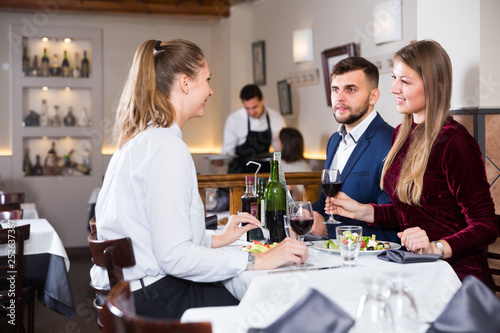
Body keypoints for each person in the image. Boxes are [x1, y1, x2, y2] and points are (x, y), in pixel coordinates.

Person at [90, 39, 308, 319]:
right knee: (269, 309)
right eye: (207, 79)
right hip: (155, 296)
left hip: (130, 293)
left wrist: (217, 239)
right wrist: (257, 259)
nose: (211, 90)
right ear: (185, 83)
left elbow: (157, 236)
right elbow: (174, 257)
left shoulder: (138, 141)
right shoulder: (167, 148)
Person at [328, 40, 499, 290]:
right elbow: (410, 211)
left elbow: (486, 225)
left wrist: (436, 247)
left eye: (405, 82)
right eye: (395, 78)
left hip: (456, 277)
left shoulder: (455, 141)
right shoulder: (401, 134)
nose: (394, 89)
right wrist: (364, 211)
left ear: (435, 86)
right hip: (416, 270)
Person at [310, 56, 400, 243]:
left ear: (373, 96)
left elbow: (395, 222)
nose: (339, 98)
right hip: (330, 253)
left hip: (371, 261)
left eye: (350, 89)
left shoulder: (393, 142)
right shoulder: (334, 140)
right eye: (335, 89)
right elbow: (327, 201)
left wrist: (328, 230)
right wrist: (308, 213)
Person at [220, 84, 286, 173]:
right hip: (238, 174)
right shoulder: (234, 119)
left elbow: (280, 150)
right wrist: (221, 160)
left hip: (264, 174)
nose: (251, 112)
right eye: (247, 108)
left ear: (262, 100)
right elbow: (228, 150)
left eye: (255, 107)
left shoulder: (276, 119)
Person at [276, 127, 312, 201]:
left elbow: (305, 199)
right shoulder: (279, 163)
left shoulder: (302, 168)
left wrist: (293, 188)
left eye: (278, 141)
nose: (276, 145)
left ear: (285, 144)